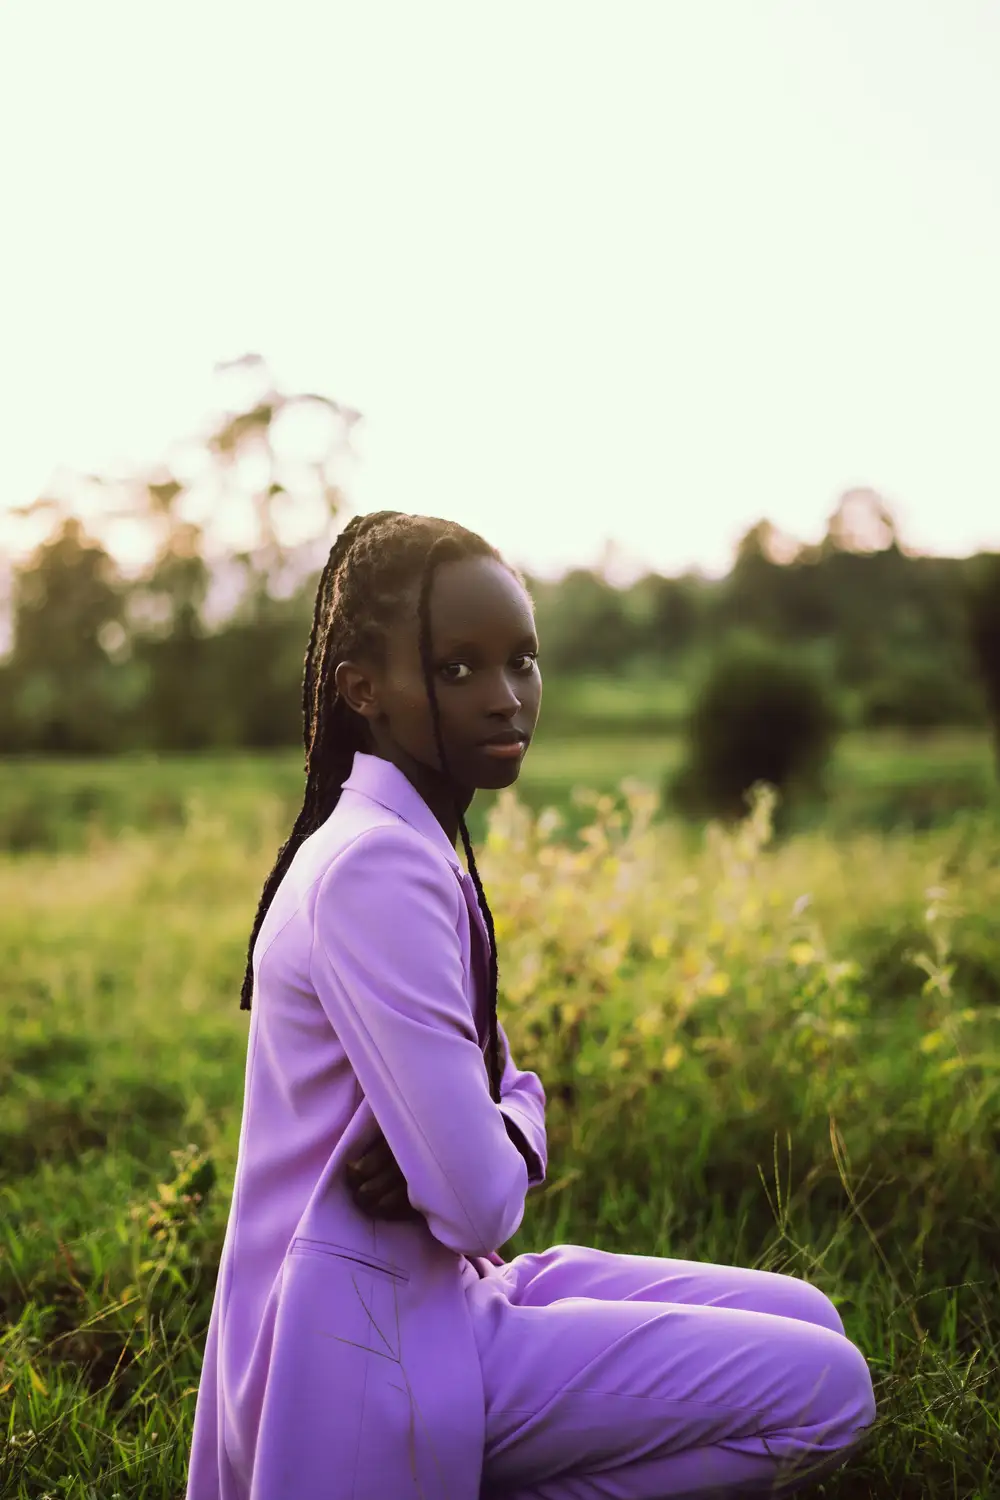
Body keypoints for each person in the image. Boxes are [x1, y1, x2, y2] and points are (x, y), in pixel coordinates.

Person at [184, 511, 877, 1500]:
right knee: (830, 1392)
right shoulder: (379, 866)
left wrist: (502, 1119)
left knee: (811, 1317)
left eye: (522, 660)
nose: (506, 699)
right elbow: (473, 1204)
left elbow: (493, 1108)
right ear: (361, 692)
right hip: (365, 1344)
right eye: (457, 669)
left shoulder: (399, 839)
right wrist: (500, 1126)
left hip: (436, 1288)